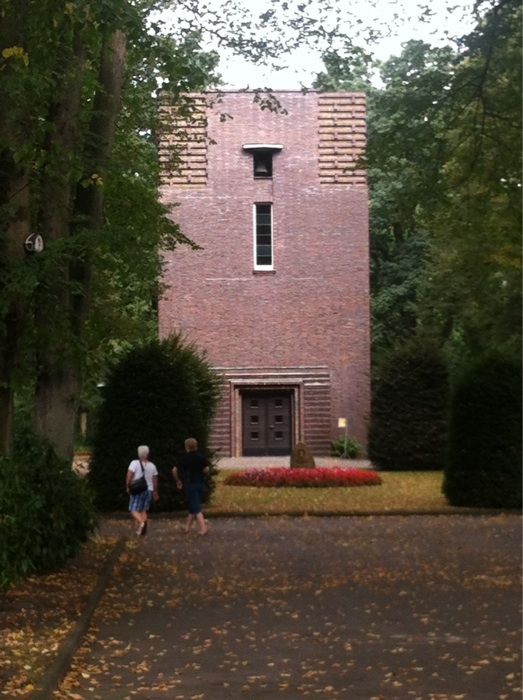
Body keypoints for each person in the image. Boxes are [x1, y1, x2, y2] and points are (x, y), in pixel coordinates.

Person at [172, 438, 209, 535]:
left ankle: (203, 528)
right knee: (193, 507)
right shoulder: (201, 457)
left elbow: (174, 470)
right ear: (196, 446)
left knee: (196, 508)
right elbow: (206, 469)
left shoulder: (184, 458)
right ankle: (187, 527)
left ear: (186, 447)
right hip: (200, 483)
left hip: (190, 484)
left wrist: (178, 481)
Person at [126, 445, 159, 537]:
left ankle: (141, 523)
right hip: (149, 490)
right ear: (147, 454)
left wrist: (128, 486)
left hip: (137, 490)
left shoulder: (134, 463)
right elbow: (155, 481)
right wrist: (155, 492)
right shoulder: (152, 466)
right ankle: (141, 531)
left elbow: (129, 476)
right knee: (143, 510)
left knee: (133, 509)